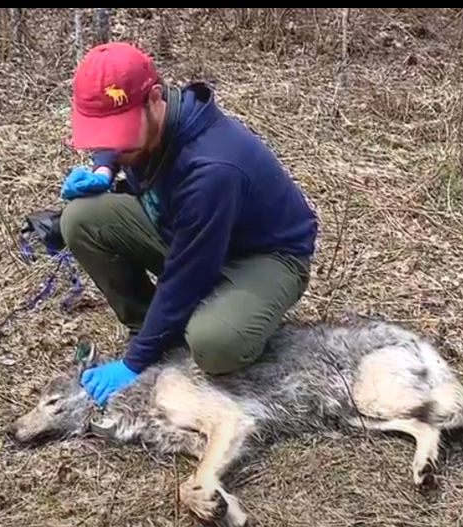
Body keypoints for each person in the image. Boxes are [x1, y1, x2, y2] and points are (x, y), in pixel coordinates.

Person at [59, 41, 319, 406]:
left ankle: (170, 335)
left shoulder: (212, 169)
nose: (115, 146)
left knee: (216, 344)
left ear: (154, 98)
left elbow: (189, 273)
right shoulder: (149, 124)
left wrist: (135, 364)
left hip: (265, 256)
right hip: (185, 230)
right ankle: (151, 326)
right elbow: (115, 138)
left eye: (121, 135)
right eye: (106, 134)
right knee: (82, 219)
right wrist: (104, 168)